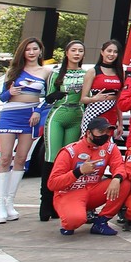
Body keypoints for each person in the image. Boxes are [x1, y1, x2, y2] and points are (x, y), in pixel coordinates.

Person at [0, 36, 49, 224]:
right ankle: (0, 205)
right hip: (10, 114)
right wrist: (9, 92)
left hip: (30, 116)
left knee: (21, 158)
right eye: (28, 49)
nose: (31, 52)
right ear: (23, 52)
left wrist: (38, 111)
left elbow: (49, 97)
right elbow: (2, 97)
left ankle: (10, 202)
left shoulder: (46, 72)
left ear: (40, 51)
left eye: (35, 49)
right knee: (5, 158)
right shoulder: (13, 71)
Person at [47, 116, 127, 236]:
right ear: (89, 133)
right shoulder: (70, 151)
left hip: (93, 190)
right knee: (75, 220)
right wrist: (78, 171)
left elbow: (119, 166)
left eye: (107, 132)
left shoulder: (110, 147)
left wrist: (117, 178)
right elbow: (52, 184)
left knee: (124, 183)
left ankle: (101, 221)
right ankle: (70, 218)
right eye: (101, 131)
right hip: (70, 193)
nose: (105, 135)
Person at [38, 40, 87, 222]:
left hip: (77, 116)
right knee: (51, 158)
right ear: (66, 52)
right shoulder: (56, 73)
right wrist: (53, 95)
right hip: (58, 115)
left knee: (68, 161)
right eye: (73, 50)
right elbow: (48, 97)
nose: (77, 53)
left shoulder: (86, 74)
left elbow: (88, 96)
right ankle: (45, 202)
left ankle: (61, 202)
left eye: (80, 51)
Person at [82, 40, 127, 135]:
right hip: (95, 112)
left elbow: (119, 99)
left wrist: (120, 122)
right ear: (102, 52)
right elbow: (83, 99)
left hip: (112, 113)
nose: (112, 54)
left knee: (107, 142)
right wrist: (94, 99)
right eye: (109, 51)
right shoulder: (93, 71)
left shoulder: (120, 72)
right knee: (91, 140)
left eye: (115, 52)